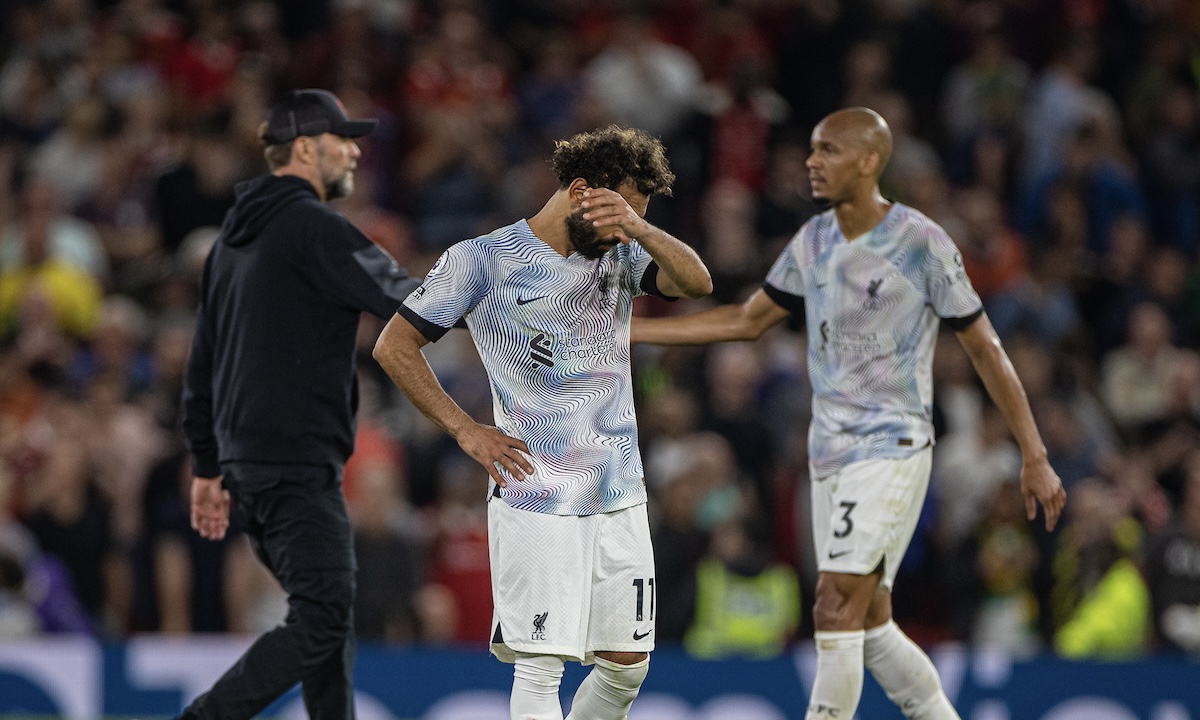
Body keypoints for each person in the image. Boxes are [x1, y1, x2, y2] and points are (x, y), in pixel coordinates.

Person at [631, 107, 1066, 720]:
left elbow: (985, 348)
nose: (811, 161)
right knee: (868, 623)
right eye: (812, 149)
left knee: (834, 604)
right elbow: (747, 320)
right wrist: (632, 335)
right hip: (828, 454)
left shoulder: (921, 243)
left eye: (828, 150)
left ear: (869, 160)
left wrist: (1035, 453)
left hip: (891, 447)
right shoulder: (813, 241)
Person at [372, 125, 712, 720]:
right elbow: (394, 346)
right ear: (581, 190)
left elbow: (697, 282)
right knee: (540, 667)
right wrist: (466, 430)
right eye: (621, 210)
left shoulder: (623, 254)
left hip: (621, 493)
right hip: (536, 490)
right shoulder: (480, 260)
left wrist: (640, 226)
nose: (624, 227)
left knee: (626, 668)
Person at [179, 89, 422, 720]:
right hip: (294, 465)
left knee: (327, 619)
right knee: (320, 620)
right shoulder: (317, 229)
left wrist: (206, 465)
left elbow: (203, 362)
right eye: (344, 140)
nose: (355, 152)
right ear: (308, 149)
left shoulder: (228, 244)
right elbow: (413, 300)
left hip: (247, 469)